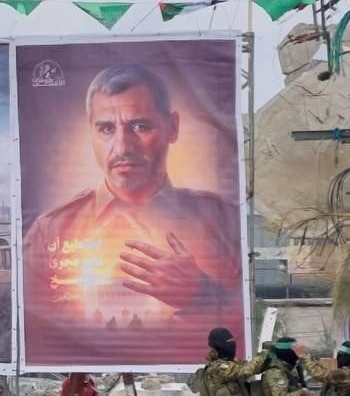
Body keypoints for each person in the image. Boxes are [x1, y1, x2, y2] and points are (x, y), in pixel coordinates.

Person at [23, 63, 240, 321]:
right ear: (91, 132)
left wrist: (200, 294)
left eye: (140, 127)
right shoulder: (50, 231)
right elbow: (29, 325)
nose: (122, 147)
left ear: (172, 127)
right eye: (106, 129)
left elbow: (251, 319)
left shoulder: (224, 221)